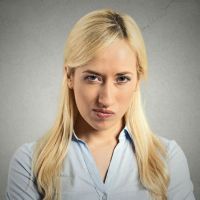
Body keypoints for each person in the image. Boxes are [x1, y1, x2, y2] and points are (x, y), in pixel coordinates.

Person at [5, 8, 195, 200]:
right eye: (93, 78)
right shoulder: (29, 164)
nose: (106, 99)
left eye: (121, 78)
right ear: (69, 76)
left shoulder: (168, 159)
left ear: (138, 79)